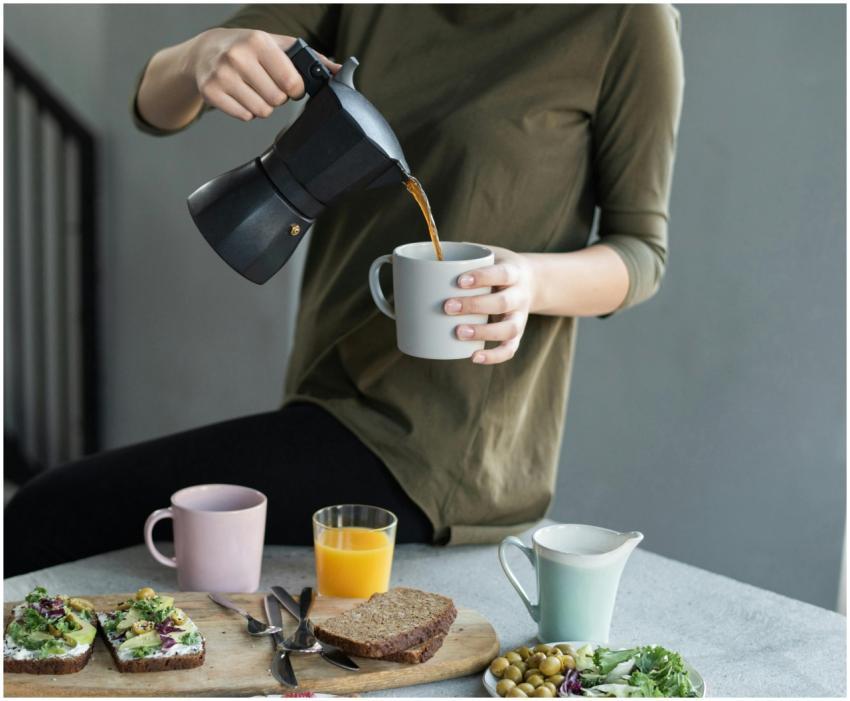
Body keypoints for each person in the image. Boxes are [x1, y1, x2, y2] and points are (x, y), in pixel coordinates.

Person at [5, 4, 684, 575]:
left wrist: (529, 281)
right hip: (321, 397)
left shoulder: (626, 21)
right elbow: (156, 104)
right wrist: (202, 56)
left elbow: (641, 251)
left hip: (442, 449)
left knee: (49, 510)